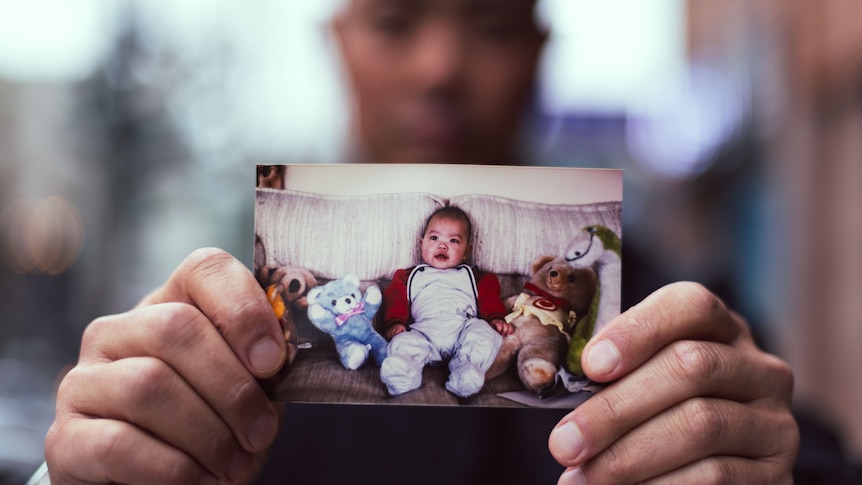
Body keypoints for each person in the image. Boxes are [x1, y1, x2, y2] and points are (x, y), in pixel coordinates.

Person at [40, 0, 799, 484]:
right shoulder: (233, 329)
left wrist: (768, 458)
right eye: (396, 20)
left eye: (492, 24)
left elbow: (811, 452)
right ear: (339, 46)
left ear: (539, 56)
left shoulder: (673, 321)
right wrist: (76, 471)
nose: (440, 68)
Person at [379, 206, 513, 397]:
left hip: (463, 330)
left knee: (484, 333)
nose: (442, 246)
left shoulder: (476, 276)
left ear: (466, 251)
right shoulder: (407, 276)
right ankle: (404, 372)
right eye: (434, 238)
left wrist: (496, 318)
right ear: (421, 243)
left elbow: (489, 298)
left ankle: (466, 371)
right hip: (423, 332)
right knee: (405, 342)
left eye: (454, 240)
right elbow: (396, 300)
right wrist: (395, 323)